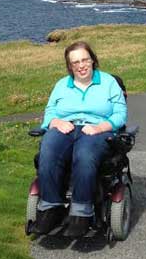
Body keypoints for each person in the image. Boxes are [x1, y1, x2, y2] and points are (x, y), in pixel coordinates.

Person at [34, 41, 128, 237]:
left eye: (84, 59)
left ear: (93, 60)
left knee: (84, 154)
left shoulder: (108, 82)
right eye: (75, 62)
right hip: (65, 127)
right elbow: (50, 111)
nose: (81, 65)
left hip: (97, 129)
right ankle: (51, 208)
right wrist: (55, 122)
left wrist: (100, 127)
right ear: (70, 66)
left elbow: (120, 114)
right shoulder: (61, 85)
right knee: (48, 150)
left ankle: (81, 213)